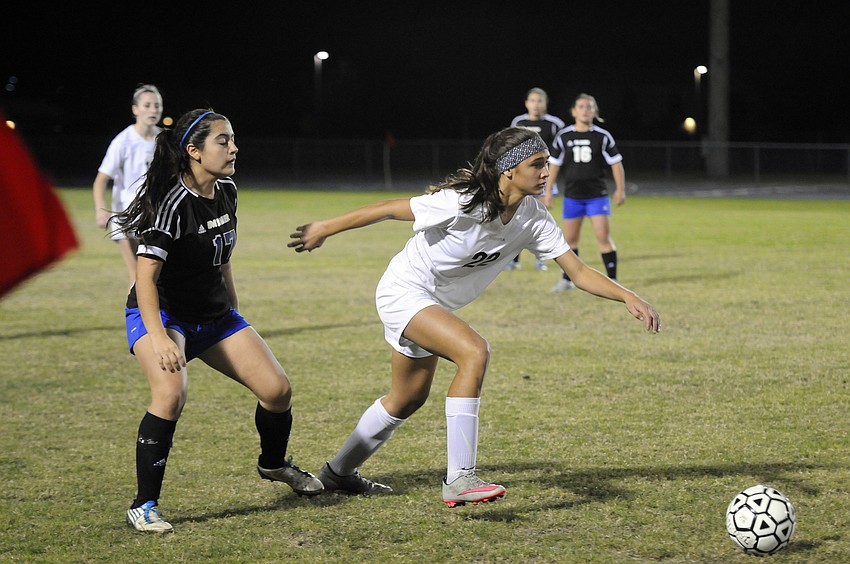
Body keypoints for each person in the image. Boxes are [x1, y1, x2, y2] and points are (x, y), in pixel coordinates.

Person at [288, 127, 660, 508]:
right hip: (404, 291)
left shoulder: (533, 216)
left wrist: (627, 296)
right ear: (509, 170)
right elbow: (387, 208)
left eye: (547, 163)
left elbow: (578, 272)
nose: (547, 171)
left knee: (406, 398)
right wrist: (324, 228)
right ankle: (460, 478)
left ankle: (338, 472)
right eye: (537, 164)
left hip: (433, 304)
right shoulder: (462, 201)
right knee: (474, 352)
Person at [112, 109, 322, 533]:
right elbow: (145, 279)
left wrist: (234, 311)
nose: (233, 148)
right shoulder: (171, 206)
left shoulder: (226, 189)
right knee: (170, 394)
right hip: (162, 313)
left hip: (214, 314)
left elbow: (222, 257)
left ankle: (274, 465)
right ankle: (144, 504)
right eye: (222, 141)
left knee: (277, 390)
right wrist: (160, 337)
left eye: (232, 139)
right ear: (194, 151)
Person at [543, 93, 626, 293]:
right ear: (574, 111)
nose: (585, 110)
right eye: (581, 106)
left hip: (597, 195)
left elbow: (616, 164)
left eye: (589, 107)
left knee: (603, 236)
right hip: (573, 196)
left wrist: (620, 189)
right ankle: (566, 280)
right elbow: (553, 165)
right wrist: (548, 192)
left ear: (594, 111)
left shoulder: (602, 136)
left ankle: (613, 279)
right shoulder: (564, 136)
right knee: (570, 240)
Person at [93, 84, 164, 288]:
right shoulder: (123, 141)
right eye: (147, 105)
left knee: (152, 275)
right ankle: (136, 318)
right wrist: (101, 210)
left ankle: (156, 316)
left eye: (157, 105)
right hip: (126, 214)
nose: (153, 110)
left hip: (153, 214)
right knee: (137, 274)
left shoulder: (163, 140)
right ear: (135, 109)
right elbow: (101, 180)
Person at [507, 87, 565, 272]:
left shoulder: (555, 124)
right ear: (526, 103)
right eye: (532, 100)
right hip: (521, 179)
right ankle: (513, 260)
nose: (536, 104)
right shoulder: (519, 121)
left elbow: (560, 153)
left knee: (540, 219)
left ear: (545, 104)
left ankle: (541, 259)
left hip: (543, 178)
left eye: (539, 101)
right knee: (515, 217)